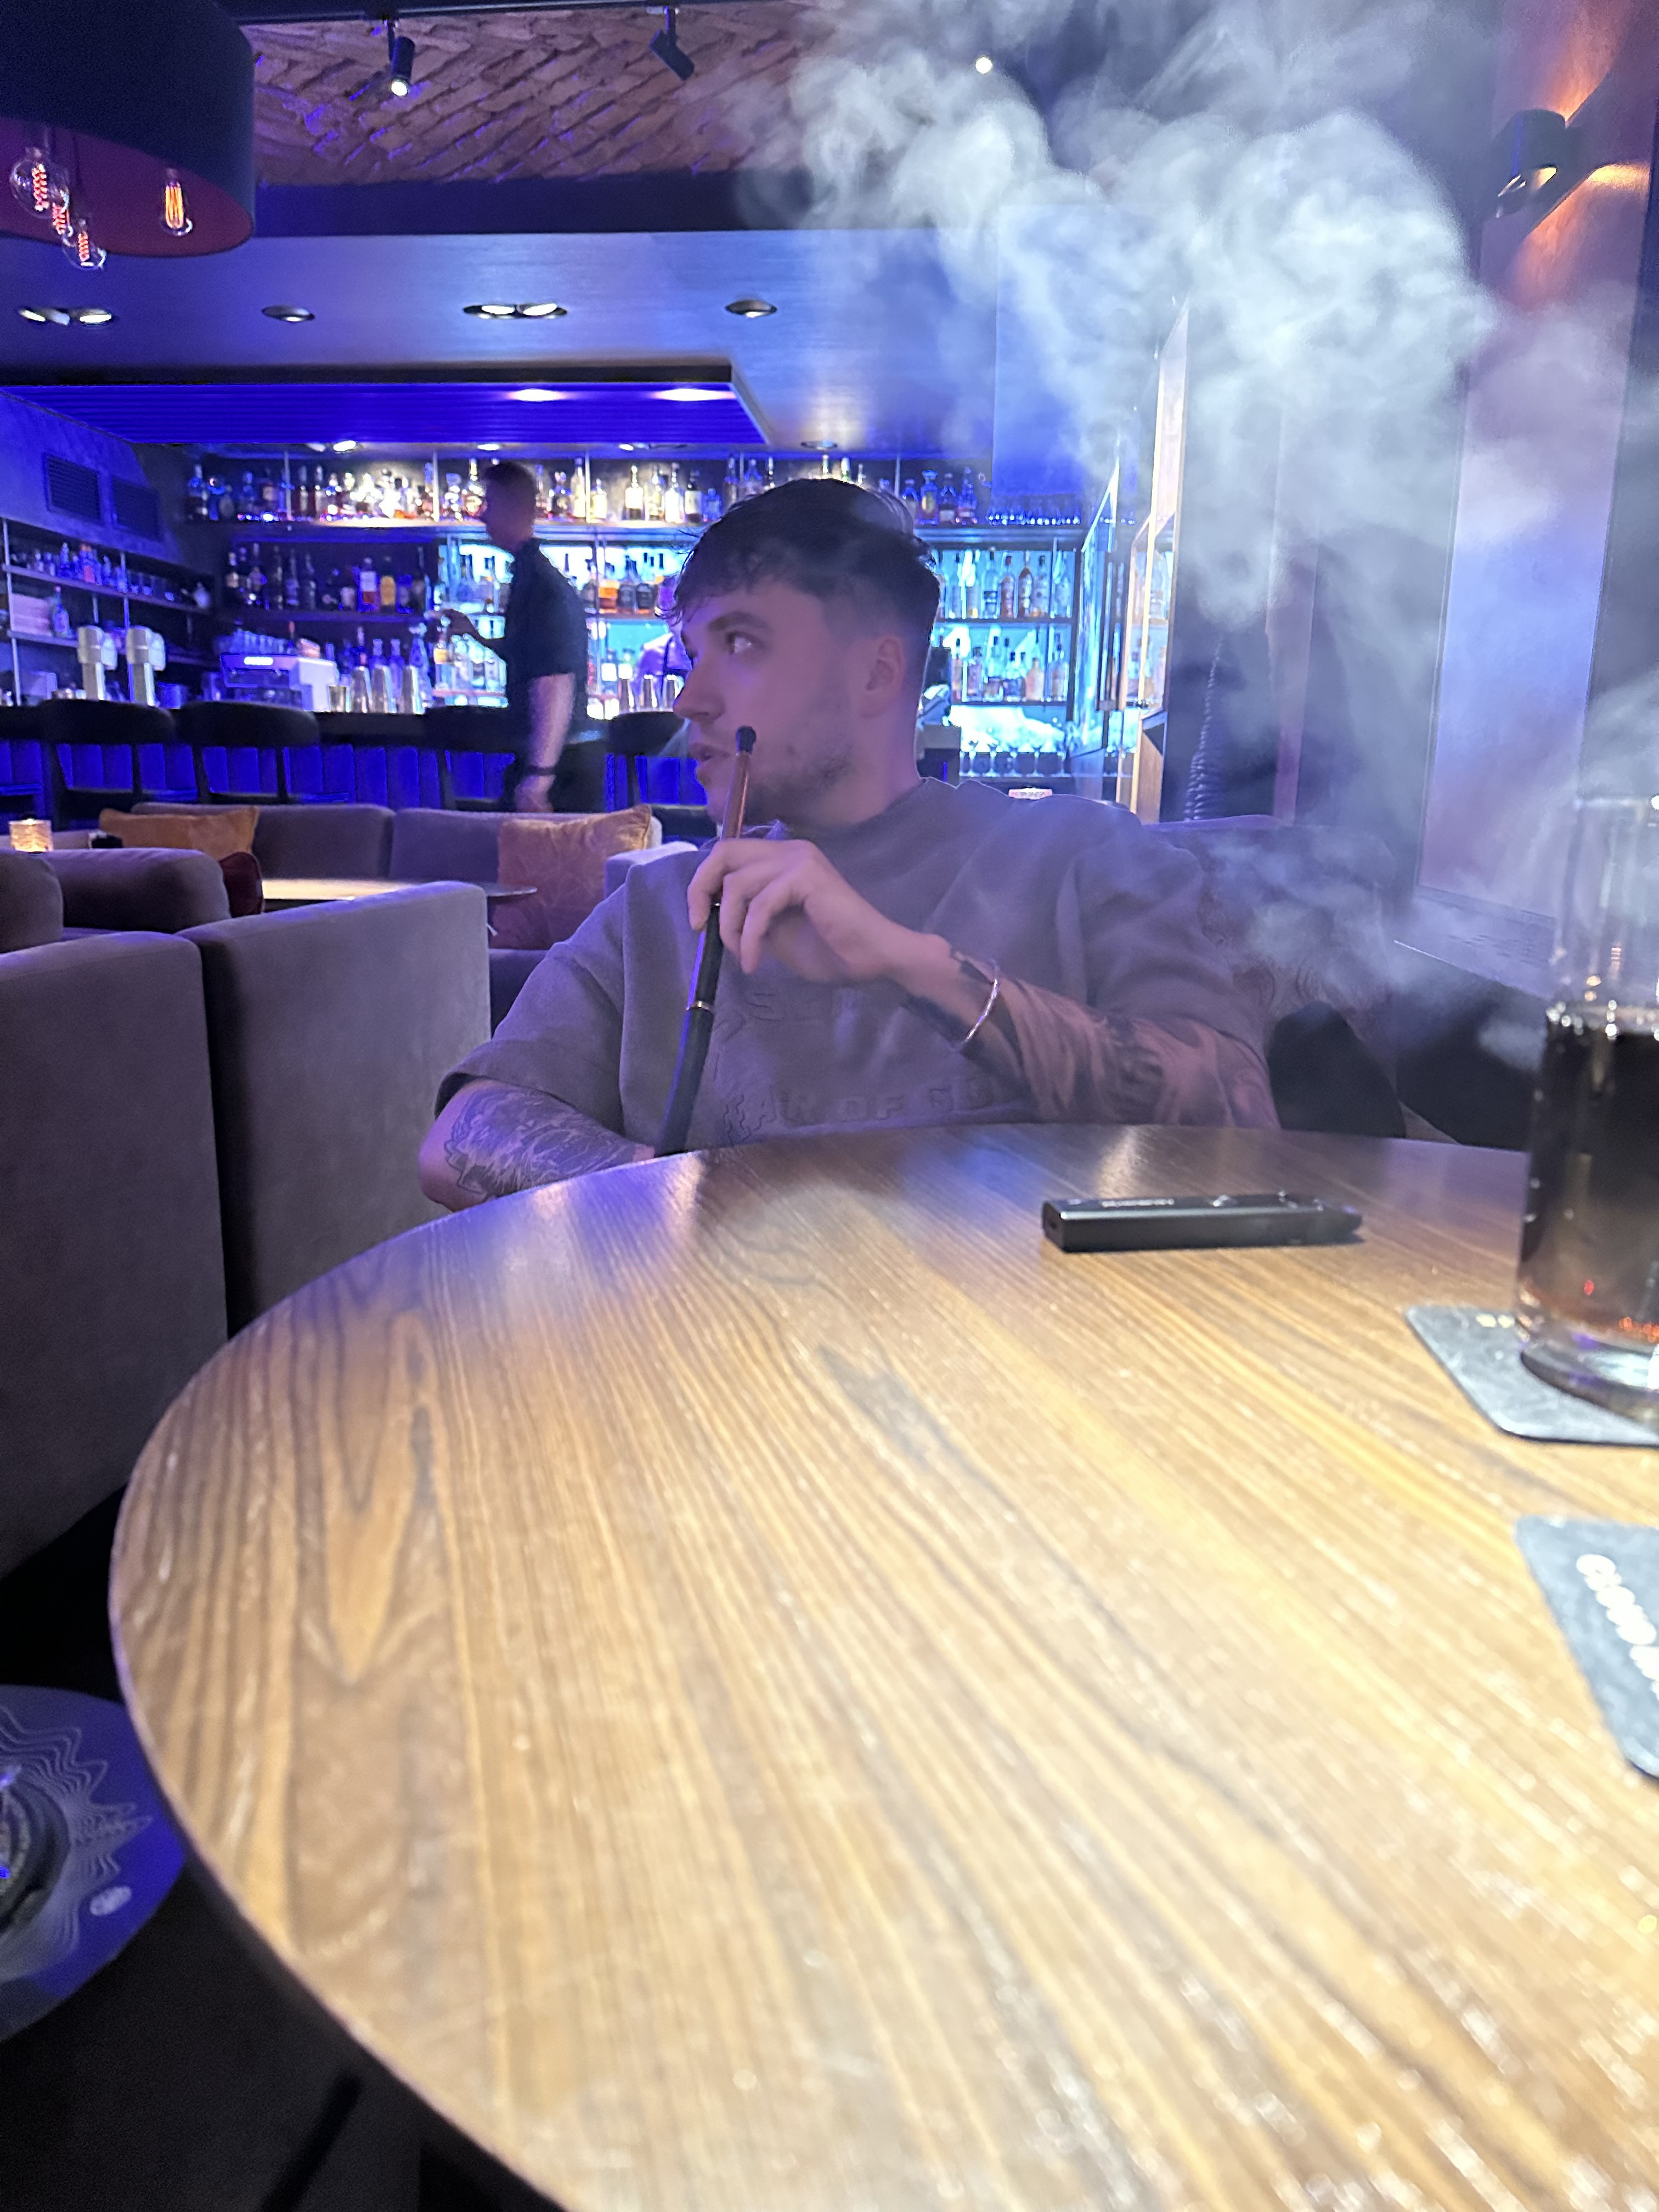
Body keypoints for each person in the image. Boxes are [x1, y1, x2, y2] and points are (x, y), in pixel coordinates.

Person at [419, 478, 1274, 1209]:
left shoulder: (1076, 854)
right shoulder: (661, 905)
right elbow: (464, 1130)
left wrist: (913, 965)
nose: (690, 698)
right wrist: (672, 1196)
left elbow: (1239, 1113)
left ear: (877, 673)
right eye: (692, 652)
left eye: (742, 644)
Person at [440, 459, 602, 812]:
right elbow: (532, 658)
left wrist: (540, 776)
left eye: (490, 503)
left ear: (513, 508)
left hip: (561, 766)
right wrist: (478, 637)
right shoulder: (533, 577)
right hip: (561, 757)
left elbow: (555, 682)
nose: (482, 515)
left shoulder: (540, 586)